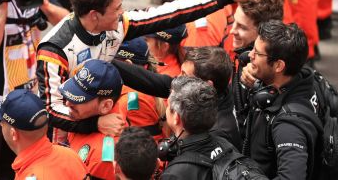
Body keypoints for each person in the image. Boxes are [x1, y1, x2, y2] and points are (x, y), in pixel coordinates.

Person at [36, 0, 262, 142]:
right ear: (95, 15)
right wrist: (96, 123)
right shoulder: (54, 51)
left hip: (107, 120)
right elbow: (50, 109)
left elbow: (172, 13)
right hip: (69, 135)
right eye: (117, 9)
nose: (122, 13)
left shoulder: (117, 25)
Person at [0, 0, 69, 178]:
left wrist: (44, 4)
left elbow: (69, 24)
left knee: (32, 163)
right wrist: (0, 8)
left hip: (32, 96)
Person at [113, 46, 242, 150]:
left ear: (207, 84)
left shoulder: (217, 132)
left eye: (184, 75)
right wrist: (107, 61)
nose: (177, 78)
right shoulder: (219, 91)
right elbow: (155, 82)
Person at [240, 20, 320, 179]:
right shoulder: (306, 79)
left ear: (278, 66)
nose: (250, 56)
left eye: (257, 53)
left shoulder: (288, 126)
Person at [160, 76, 264, 179]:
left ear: (176, 117)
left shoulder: (175, 174)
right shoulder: (225, 144)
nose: (167, 109)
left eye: (169, 105)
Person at [0, 89, 88, 179]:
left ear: (13, 134)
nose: (0, 125)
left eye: (2, 123)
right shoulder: (71, 155)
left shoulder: (30, 175)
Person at [58, 59, 123, 179]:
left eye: (78, 99)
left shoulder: (103, 156)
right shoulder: (82, 115)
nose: (67, 103)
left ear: (106, 106)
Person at [230, 0, 284, 137]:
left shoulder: (272, 73)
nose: (232, 30)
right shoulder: (241, 54)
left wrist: (260, 85)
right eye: (232, 21)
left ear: (263, 33)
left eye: (241, 27)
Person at [114, 37, 167, 142]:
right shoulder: (145, 89)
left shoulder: (132, 100)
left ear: (127, 64)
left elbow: (139, 148)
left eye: (112, 63)